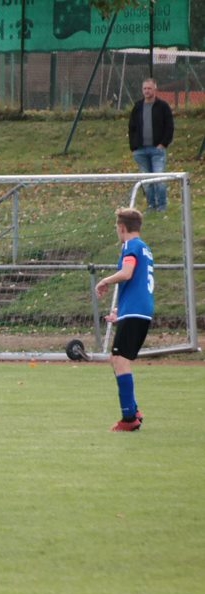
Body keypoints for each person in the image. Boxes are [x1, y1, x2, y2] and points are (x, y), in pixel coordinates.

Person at [95, 207, 154, 432]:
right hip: (138, 310)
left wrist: (105, 280)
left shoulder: (131, 246)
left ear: (122, 228)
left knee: (120, 360)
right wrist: (121, 311)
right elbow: (138, 282)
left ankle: (129, 418)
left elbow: (127, 273)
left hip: (136, 311)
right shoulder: (145, 248)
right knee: (117, 358)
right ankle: (133, 411)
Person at [128, 78, 175, 213]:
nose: (147, 91)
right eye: (145, 89)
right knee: (147, 181)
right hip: (141, 151)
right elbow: (131, 127)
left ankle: (162, 205)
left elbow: (169, 126)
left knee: (159, 179)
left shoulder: (163, 106)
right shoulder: (138, 107)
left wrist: (163, 144)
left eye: (149, 88)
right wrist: (134, 147)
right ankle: (151, 205)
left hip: (157, 150)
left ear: (155, 89)